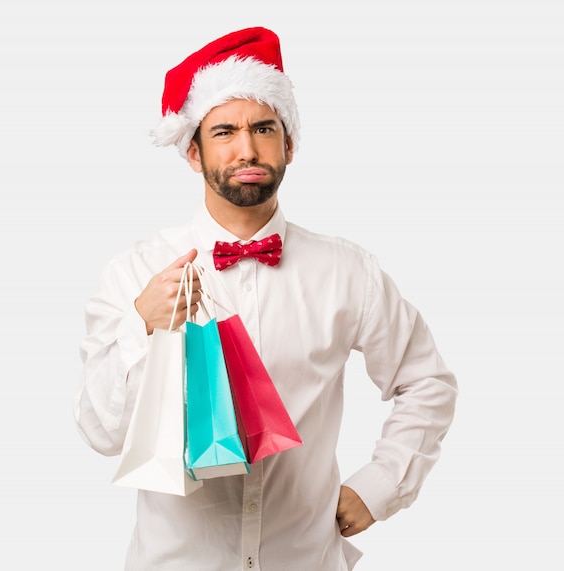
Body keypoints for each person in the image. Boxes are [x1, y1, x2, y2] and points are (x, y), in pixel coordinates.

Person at [74, 26, 458, 570]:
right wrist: (143, 324)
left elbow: (427, 381)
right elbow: (100, 433)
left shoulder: (347, 271)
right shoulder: (135, 272)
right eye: (225, 131)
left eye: (263, 128)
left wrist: (381, 485)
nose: (247, 149)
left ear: (290, 145)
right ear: (193, 152)